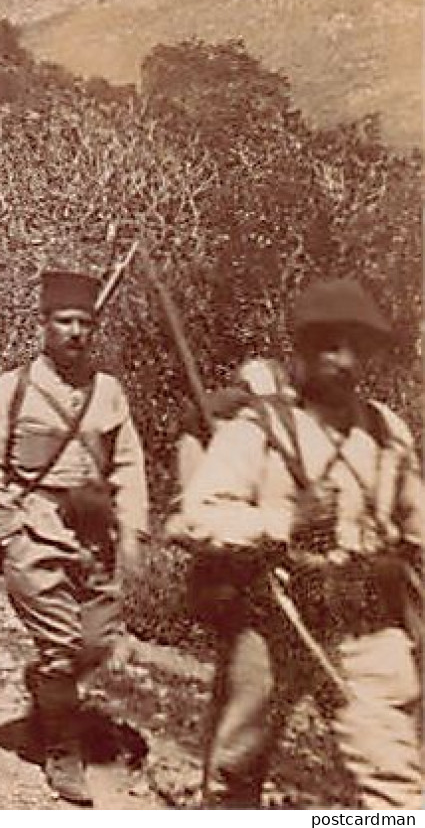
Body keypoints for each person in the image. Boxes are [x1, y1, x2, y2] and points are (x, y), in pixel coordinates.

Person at [178, 279, 422, 810]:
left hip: (362, 627)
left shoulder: (386, 432)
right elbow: (196, 517)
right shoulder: (258, 429)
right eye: (331, 345)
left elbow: (417, 524)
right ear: (304, 350)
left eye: (358, 347)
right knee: (233, 773)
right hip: (275, 622)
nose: (345, 360)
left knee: (397, 789)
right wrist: (285, 520)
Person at [0, 270, 149, 806]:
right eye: (64, 321)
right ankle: (62, 750)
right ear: (43, 325)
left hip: (94, 538)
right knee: (63, 648)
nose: (75, 332)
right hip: (33, 527)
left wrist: (132, 530)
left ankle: (47, 687)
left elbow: (129, 466)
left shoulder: (109, 392)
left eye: (85, 323)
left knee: (96, 644)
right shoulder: (14, 388)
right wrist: (11, 530)